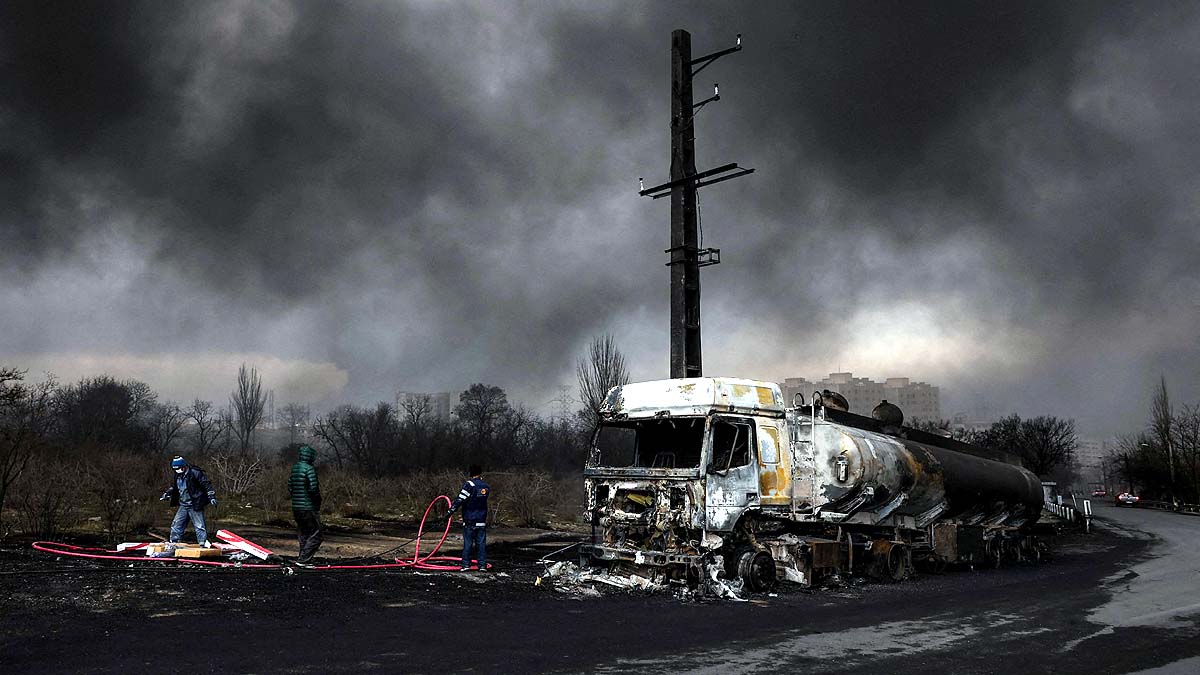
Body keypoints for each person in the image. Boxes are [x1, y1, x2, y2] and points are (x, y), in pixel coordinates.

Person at [159, 456, 217, 547]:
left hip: (195, 504)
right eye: (175, 469)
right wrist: (167, 494)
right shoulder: (177, 475)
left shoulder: (195, 472)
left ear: (183, 466)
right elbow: (174, 487)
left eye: (178, 468)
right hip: (183, 505)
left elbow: (206, 484)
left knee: (199, 526)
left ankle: (202, 544)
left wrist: (211, 496)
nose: (177, 470)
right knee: (176, 524)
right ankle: (174, 543)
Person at [447, 465, 489, 572]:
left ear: (471, 473)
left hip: (470, 520)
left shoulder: (469, 485)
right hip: (481, 520)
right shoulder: (485, 486)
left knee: (468, 543)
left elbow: (460, 499)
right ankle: (482, 565)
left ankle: (466, 565)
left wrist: (451, 511)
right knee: (481, 544)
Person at [288, 444, 323, 563]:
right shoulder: (309, 469)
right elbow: (313, 489)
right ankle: (304, 560)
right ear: (311, 456)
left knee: (304, 533)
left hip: (296, 507)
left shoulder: (295, 469)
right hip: (308, 507)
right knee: (316, 534)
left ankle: (302, 559)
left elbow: (290, 487)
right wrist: (318, 502)